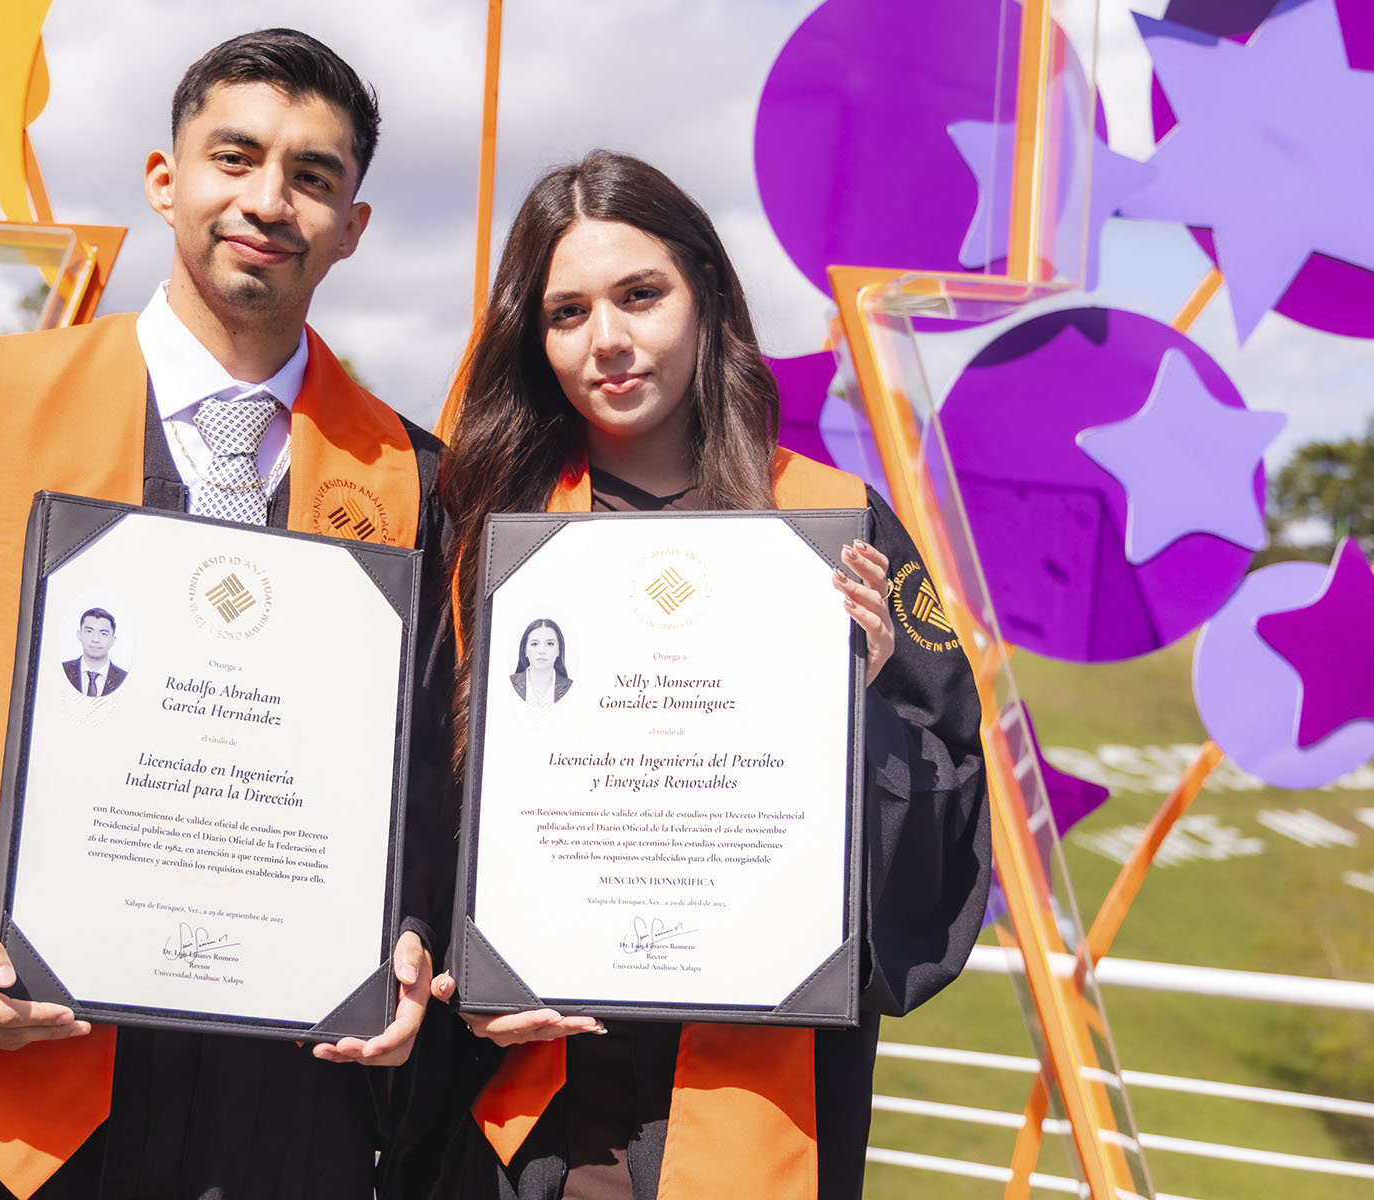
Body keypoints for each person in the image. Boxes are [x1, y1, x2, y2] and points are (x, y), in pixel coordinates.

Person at [0, 29, 453, 1200]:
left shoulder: (412, 482)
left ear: (352, 225)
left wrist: (410, 934)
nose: (268, 201)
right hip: (0, 1092)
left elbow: (431, 791)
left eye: (312, 176)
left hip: (279, 1106)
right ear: (165, 180)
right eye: (234, 156)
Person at [420, 151, 990, 1199]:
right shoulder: (487, 537)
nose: (608, 339)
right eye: (567, 312)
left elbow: (946, 817)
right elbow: (416, 800)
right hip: (531, 1118)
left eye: (641, 295)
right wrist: (461, 964)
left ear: (707, 295)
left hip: (752, 1111)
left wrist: (864, 705)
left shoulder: (833, 528)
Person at [62, 607, 126, 697]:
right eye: (89, 631)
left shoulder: (124, 678)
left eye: (103, 633)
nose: (95, 639)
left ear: (113, 640)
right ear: (79, 635)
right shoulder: (62, 670)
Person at [508, 618, 571, 706]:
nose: (542, 651)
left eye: (550, 644)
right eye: (534, 644)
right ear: (525, 651)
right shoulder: (508, 684)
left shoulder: (571, 687)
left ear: (558, 651)